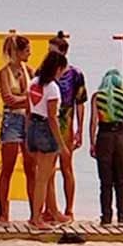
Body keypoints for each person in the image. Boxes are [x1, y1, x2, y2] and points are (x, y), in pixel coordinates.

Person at [42, 31, 87, 222]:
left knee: (66, 167)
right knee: (47, 169)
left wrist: (80, 130)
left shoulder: (75, 74)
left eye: (53, 51)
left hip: (66, 122)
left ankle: (69, 209)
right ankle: (50, 208)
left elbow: (80, 103)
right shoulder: (43, 73)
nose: (49, 55)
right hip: (47, 121)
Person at [26, 51, 71, 230]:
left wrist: (28, 131)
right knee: (42, 178)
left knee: (45, 174)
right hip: (46, 128)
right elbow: (52, 117)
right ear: (58, 69)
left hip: (34, 126)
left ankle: (51, 211)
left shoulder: (33, 82)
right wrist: (61, 144)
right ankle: (36, 217)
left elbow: (29, 109)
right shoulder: (52, 87)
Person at [0, 35, 36, 226]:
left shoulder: (29, 70)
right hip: (12, 120)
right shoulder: (4, 73)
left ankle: (34, 212)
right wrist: (27, 99)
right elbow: (7, 99)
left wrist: (24, 99)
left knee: (31, 169)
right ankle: (3, 214)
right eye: (27, 50)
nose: (30, 53)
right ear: (18, 52)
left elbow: (36, 95)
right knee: (7, 168)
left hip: (27, 120)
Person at [89, 69, 123, 226]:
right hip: (121, 136)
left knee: (105, 181)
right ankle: (122, 216)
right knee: (121, 180)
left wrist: (92, 142)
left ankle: (106, 217)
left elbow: (94, 121)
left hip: (104, 136)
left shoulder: (97, 97)